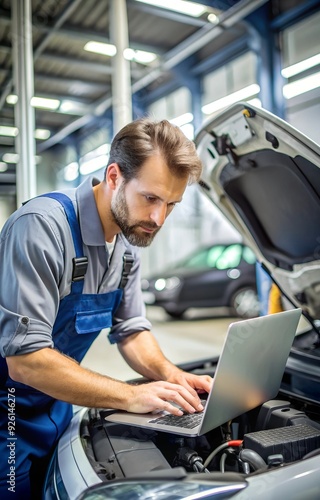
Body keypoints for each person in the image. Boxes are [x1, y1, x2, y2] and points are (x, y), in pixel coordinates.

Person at [0, 118, 213, 499]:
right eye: (150, 198)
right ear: (114, 176)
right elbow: (26, 361)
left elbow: (131, 329)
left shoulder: (128, 246)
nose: (158, 219)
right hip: (7, 416)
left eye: (171, 204)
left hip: (57, 404)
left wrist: (170, 375)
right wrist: (131, 395)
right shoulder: (42, 228)